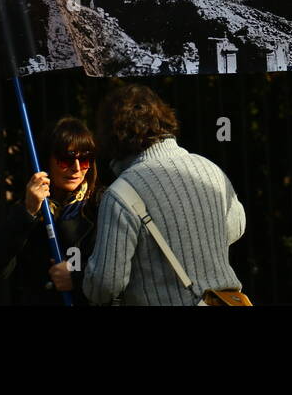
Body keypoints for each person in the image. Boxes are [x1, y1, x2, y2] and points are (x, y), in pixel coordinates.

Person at [84, 83, 245, 306]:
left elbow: (104, 285)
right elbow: (237, 226)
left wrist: (78, 277)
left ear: (111, 136)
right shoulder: (211, 170)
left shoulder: (121, 195)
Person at [0, 116, 102, 305]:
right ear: (47, 161)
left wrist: (77, 278)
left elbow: (118, 272)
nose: (76, 168)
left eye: (84, 159)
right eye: (66, 159)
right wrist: (27, 212)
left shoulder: (102, 204)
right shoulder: (31, 205)